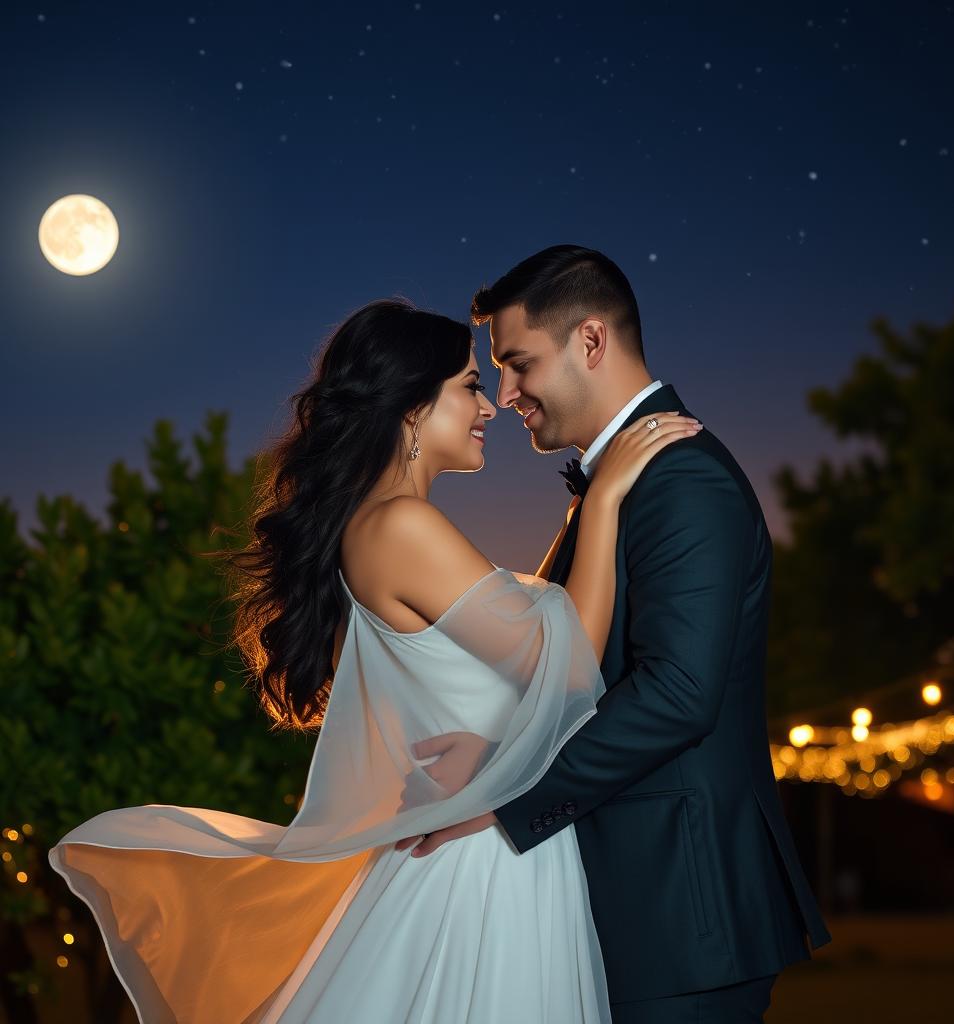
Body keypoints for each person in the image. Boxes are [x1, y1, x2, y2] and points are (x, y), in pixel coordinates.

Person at [47, 297, 700, 1023]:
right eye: (471, 385)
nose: (492, 405)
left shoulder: (377, 527)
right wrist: (607, 496)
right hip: (479, 871)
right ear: (412, 408)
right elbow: (573, 663)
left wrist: (494, 747)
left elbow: (523, 666)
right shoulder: (400, 526)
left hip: (479, 843)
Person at [398, 245, 833, 1023]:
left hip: (683, 916)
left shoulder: (683, 478)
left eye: (519, 364)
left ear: (590, 342)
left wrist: (505, 789)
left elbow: (678, 694)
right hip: (639, 911)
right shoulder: (620, 487)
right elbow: (573, 667)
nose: (507, 393)